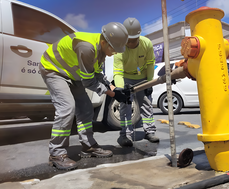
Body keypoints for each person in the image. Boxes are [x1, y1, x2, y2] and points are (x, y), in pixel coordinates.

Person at [39, 22, 129, 170]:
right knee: (67, 107)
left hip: (73, 74)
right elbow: (89, 82)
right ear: (104, 42)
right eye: (114, 49)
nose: (115, 53)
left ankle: (88, 146)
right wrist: (112, 94)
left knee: (86, 109)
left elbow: (98, 74)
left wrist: (114, 88)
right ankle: (56, 153)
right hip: (53, 69)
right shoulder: (87, 47)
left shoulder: (101, 50)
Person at [113, 17, 159, 147]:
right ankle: (125, 135)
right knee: (125, 105)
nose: (131, 43)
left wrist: (150, 83)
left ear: (139, 36)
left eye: (133, 40)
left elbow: (150, 64)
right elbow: (118, 72)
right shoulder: (119, 49)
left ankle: (149, 131)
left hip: (143, 77)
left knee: (146, 104)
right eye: (128, 40)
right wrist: (121, 89)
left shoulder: (147, 44)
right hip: (126, 78)